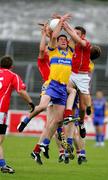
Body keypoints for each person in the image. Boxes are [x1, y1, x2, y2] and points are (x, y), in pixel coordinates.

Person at [17, 16, 74, 164]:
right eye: (59, 39)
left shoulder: (69, 53)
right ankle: (27, 120)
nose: (62, 40)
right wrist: (55, 26)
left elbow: (72, 36)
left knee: (56, 122)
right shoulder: (50, 53)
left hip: (62, 88)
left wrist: (63, 25)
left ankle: (41, 148)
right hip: (50, 85)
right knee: (44, 109)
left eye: (64, 39)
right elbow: (47, 44)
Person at [0, 56, 35, 173]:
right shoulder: (12, 75)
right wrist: (31, 103)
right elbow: (20, 90)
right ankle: (2, 165)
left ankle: (3, 165)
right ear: (11, 66)